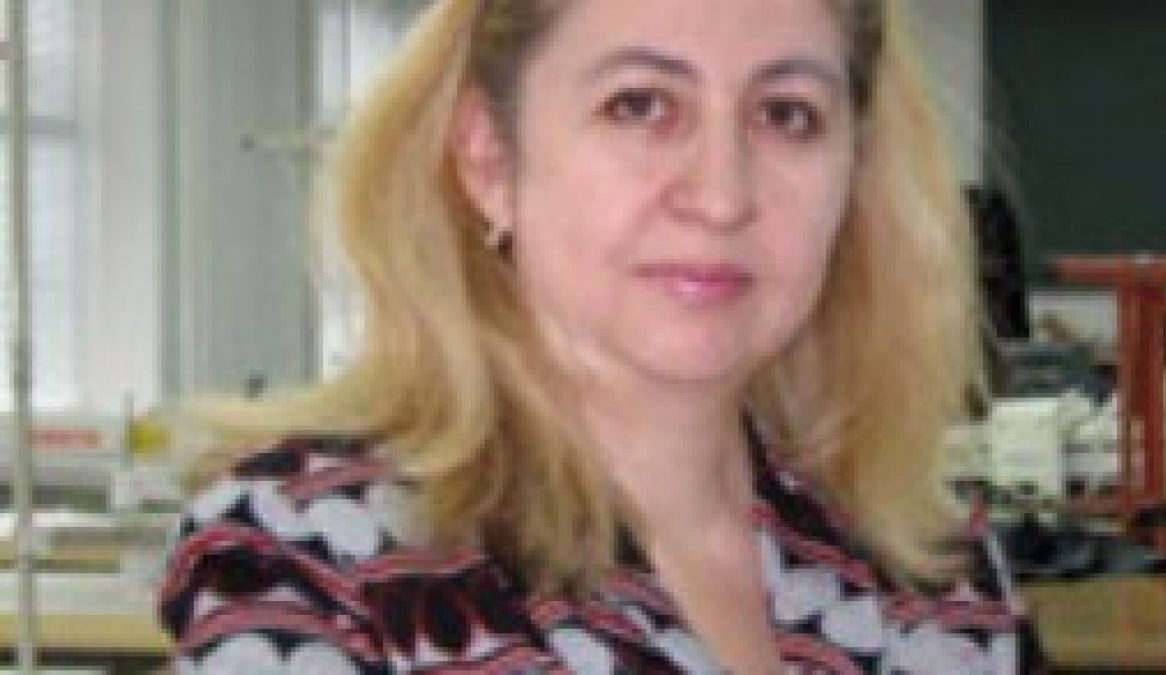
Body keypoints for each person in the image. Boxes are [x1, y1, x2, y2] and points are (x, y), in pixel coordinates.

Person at [159, 0, 1040, 672]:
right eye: (640, 105)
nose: (722, 194)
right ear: (489, 159)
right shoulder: (308, 558)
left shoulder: (939, 581)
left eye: (785, 114)